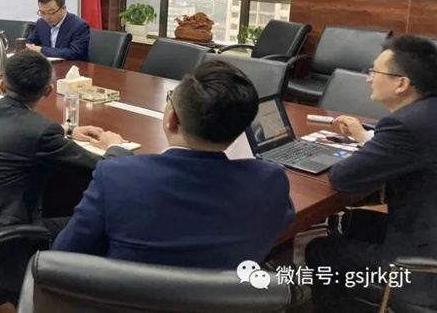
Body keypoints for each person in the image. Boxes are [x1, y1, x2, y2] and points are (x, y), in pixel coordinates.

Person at [53, 60, 295, 270]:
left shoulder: (116, 176)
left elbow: (64, 256)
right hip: (226, 299)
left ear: (171, 119)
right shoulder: (270, 180)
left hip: (123, 300)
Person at [0, 49, 129, 291]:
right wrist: (114, 147)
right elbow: (103, 170)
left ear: (2, 85)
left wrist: (69, 130)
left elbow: (16, 126)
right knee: (98, 222)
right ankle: (56, 292)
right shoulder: (41, 131)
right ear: (49, 90)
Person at [306, 35, 437, 312]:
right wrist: (369, 139)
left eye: (374, 72)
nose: (368, 79)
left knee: (320, 250)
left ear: (401, 84)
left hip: (423, 265)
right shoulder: (426, 113)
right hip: (425, 225)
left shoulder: (404, 125)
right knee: (355, 221)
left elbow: (343, 178)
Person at [26, 0, 90, 61]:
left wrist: (41, 50)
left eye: (51, 13)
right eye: (42, 13)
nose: (47, 17)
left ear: (63, 8)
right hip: (46, 65)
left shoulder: (79, 26)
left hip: (72, 66)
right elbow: (30, 42)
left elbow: (74, 52)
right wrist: (28, 46)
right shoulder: (41, 23)